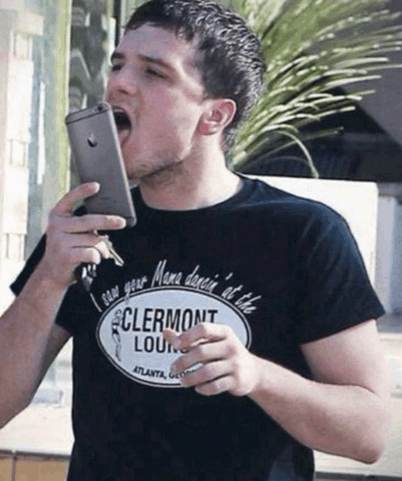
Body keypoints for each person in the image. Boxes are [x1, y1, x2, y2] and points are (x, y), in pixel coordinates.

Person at [0, 0, 388, 479]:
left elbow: (368, 434)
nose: (119, 83)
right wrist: (47, 280)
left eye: (154, 73)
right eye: (118, 65)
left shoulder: (303, 232)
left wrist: (257, 375)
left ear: (215, 116)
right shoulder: (86, 227)